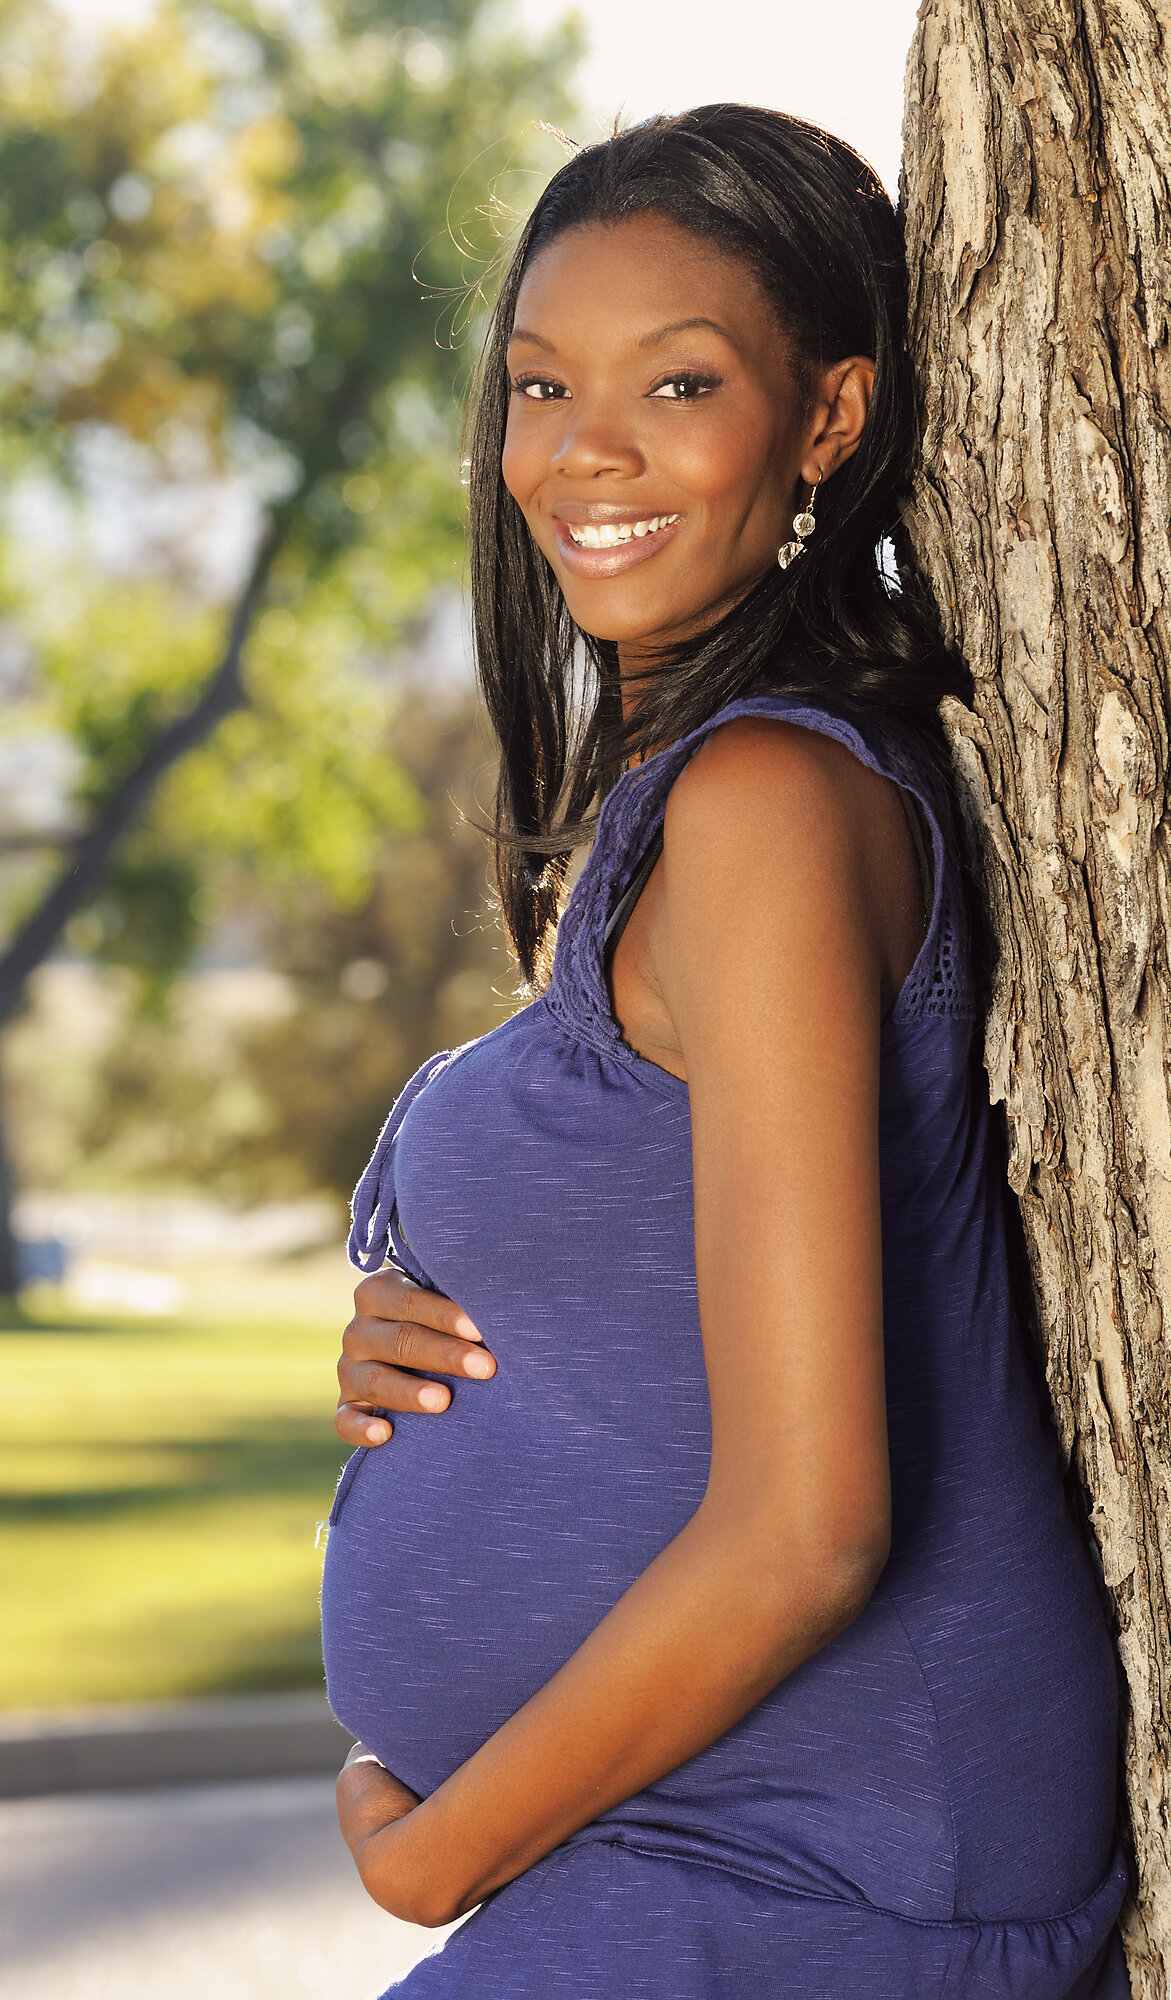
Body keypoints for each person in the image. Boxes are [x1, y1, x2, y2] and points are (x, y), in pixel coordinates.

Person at [320, 105, 1129, 1998]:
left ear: (826, 423)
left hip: (829, 1842)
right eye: (539, 386)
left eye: (676, 382)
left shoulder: (766, 802)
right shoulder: (680, 795)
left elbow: (814, 1519)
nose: (582, 450)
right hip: (721, 1816)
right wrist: (442, 1326)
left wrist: (439, 1852)